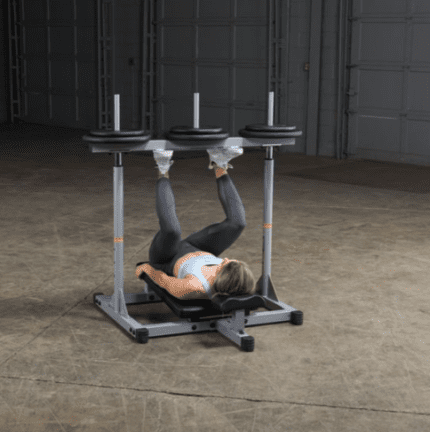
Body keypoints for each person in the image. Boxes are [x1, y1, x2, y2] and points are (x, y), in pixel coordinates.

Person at [135, 148, 256, 300]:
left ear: (223, 277)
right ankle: (219, 163)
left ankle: (162, 167)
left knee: (172, 231)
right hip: (198, 247)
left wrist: (147, 270)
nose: (226, 259)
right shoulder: (236, 274)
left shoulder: (193, 287)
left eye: (224, 264)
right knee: (237, 224)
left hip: (167, 256)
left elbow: (164, 281)